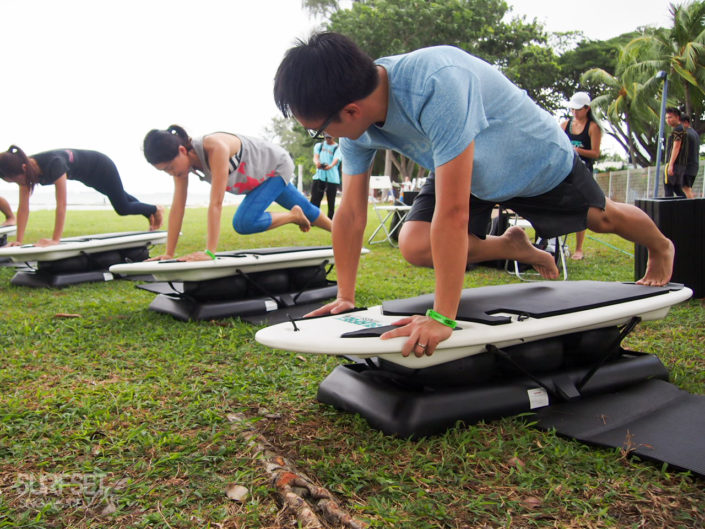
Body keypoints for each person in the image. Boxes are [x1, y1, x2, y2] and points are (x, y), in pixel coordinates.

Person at [273, 32, 674, 358]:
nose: (325, 138)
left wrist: (442, 318)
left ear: (350, 110)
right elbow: (351, 213)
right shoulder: (357, 126)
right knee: (414, 245)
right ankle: (512, 246)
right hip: (464, 167)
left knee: (603, 218)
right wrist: (345, 296)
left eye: (321, 129)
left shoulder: (435, 81)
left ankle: (661, 245)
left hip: (534, 162)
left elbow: (451, 213)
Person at [142, 125, 332, 261]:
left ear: (182, 150)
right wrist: (169, 253)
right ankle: (342, 233)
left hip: (275, 168)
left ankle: (293, 215)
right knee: (308, 208)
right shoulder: (183, 168)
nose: (171, 173)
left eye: (170, 167)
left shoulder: (215, 147)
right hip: (261, 179)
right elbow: (177, 208)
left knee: (244, 222)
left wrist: (209, 253)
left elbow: (216, 203)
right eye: (165, 171)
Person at [0, 146, 163, 247]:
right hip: (87, 175)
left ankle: (155, 209)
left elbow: (62, 205)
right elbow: (23, 209)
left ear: (23, 168)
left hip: (101, 166)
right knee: (122, 198)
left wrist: (55, 240)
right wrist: (19, 241)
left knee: (122, 207)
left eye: (16, 180)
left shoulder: (53, 163)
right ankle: (149, 212)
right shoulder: (25, 170)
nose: (18, 184)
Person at [561, 92, 602, 260]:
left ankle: (579, 249)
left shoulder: (593, 127)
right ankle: (559, 246)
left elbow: (595, 153)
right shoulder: (565, 125)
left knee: (582, 209)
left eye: (578, 109)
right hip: (565, 172)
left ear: (587, 109)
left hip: (583, 173)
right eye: (572, 109)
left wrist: (577, 151)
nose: (575, 113)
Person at [311, 133, 341, 219]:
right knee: (315, 199)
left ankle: (330, 219)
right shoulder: (319, 146)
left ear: (334, 137)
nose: (328, 139)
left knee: (331, 201)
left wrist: (330, 166)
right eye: (326, 137)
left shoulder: (337, 148)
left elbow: (336, 159)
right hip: (319, 176)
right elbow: (316, 156)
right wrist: (317, 163)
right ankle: (313, 219)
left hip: (332, 178)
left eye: (330, 137)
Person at [664, 107, 688, 198]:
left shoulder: (678, 130)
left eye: (670, 117)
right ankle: (686, 209)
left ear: (677, 117)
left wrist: (671, 164)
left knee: (668, 190)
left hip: (674, 164)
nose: (668, 120)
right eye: (666, 118)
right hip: (679, 165)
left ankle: (668, 211)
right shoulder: (681, 129)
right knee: (677, 189)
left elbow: (676, 147)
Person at [681, 114, 700, 199]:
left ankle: (692, 210)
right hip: (694, 166)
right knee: (687, 189)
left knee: (686, 189)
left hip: (686, 167)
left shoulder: (686, 134)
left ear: (686, 123)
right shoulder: (695, 133)